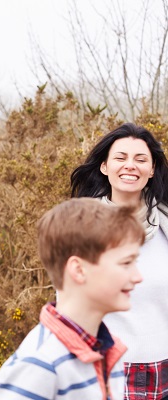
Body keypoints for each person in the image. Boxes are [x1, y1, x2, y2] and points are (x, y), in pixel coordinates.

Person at [0, 198, 145, 399]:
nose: (138, 276)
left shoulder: (109, 350)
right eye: (126, 263)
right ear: (79, 270)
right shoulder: (39, 364)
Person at [70, 123, 168, 399]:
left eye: (140, 159)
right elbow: (69, 305)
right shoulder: (82, 225)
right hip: (109, 370)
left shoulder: (165, 225)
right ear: (104, 166)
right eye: (121, 157)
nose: (130, 166)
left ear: (151, 170)